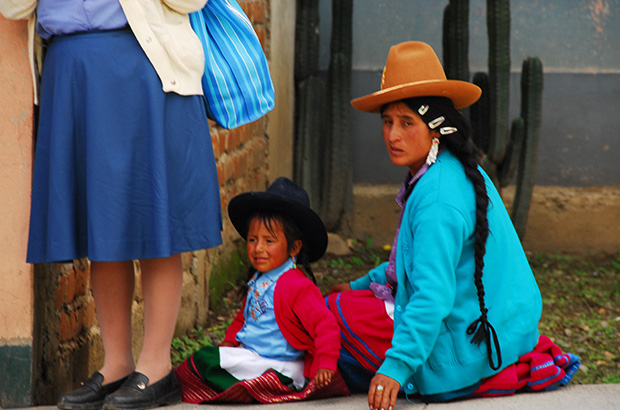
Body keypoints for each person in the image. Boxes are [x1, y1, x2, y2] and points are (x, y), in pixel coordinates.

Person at [1, 1, 222, 409]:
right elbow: (13, 8)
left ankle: (156, 366)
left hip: (145, 69)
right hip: (71, 72)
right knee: (103, 226)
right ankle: (117, 362)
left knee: (156, 225)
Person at [325, 41, 550, 410]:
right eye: (387, 121)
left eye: (406, 123)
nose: (393, 136)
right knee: (343, 301)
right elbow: (416, 262)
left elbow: (433, 294)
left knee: (331, 316)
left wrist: (395, 369)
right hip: (498, 326)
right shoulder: (447, 171)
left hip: (463, 352)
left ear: (436, 129)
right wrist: (360, 284)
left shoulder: (437, 198)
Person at [174, 177, 348, 404]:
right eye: (253, 239)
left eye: (269, 241)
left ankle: (273, 384)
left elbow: (325, 325)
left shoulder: (297, 286)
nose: (258, 248)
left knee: (203, 362)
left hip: (279, 365)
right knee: (208, 359)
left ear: (294, 247)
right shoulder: (259, 280)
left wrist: (325, 363)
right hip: (252, 357)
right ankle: (242, 383)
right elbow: (243, 318)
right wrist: (229, 343)